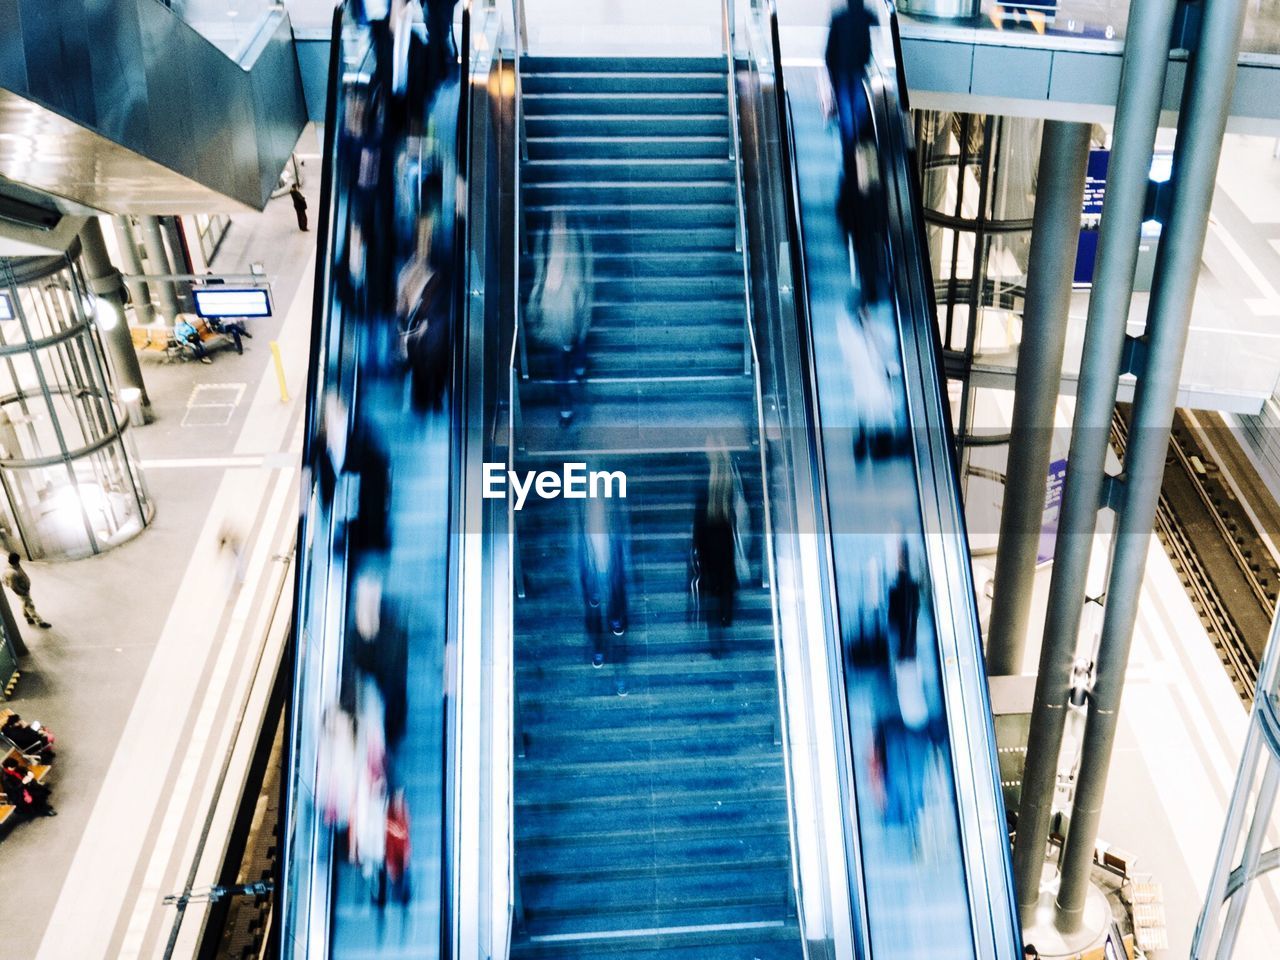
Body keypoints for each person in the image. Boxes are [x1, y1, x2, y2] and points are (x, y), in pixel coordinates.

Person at [528, 209, 594, 426]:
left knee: (576, 342)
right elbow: (540, 266)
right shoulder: (543, 232)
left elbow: (588, 264)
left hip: (573, 300)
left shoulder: (578, 229)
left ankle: (579, 364)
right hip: (551, 303)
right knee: (558, 355)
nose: (558, 221)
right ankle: (565, 402)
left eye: (561, 216)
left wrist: (585, 293)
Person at [692, 448, 740, 658]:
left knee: (713, 603)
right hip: (720, 558)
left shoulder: (707, 502)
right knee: (720, 600)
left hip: (712, 556)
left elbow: (699, 536)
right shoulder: (722, 503)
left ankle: (717, 642)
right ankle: (720, 637)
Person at [4, 553, 49, 629]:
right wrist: (23, 592)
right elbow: (14, 586)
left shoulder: (15, 565)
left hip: (24, 589)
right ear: (15, 561)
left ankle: (28, 618)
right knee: (30, 605)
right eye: (18, 560)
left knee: (25, 604)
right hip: (22, 591)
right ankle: (39, 622)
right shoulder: (11, 572)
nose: (19, 562)